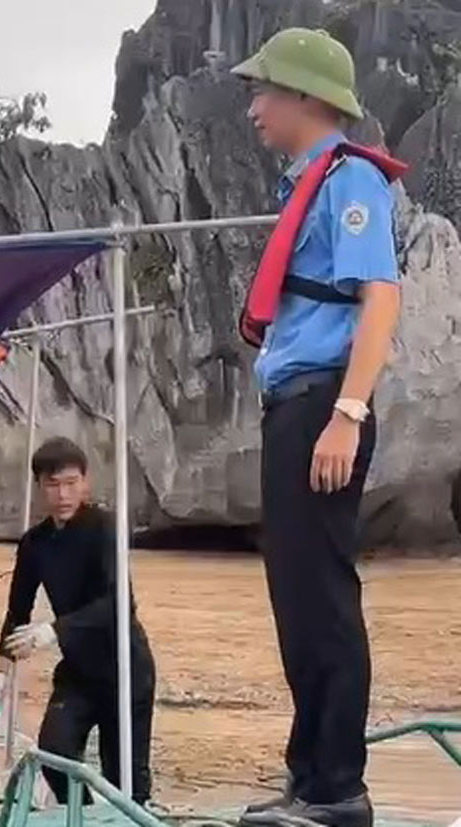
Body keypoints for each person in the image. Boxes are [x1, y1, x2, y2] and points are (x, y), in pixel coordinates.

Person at [231, 28, 403, 827]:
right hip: (295, 405)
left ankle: (337, 787)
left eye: (263, 90)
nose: (254, 106)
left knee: (323, 597)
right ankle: (310, 779)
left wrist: (347, 412)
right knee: (296, 598)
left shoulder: (349, 179)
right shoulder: (308, 182)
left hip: (322, 404)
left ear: (305, 95)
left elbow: (381, 297)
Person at [0, 437, 155, 804]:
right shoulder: (35, 543)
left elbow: (118, 603)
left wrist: (54, 630)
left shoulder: (105, 527)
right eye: (53, 484)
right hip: (79, 671)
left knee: (125, 780)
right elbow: (18, 610)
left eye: (71, 483)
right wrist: (0, 668)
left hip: (125, 667)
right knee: (55, 753)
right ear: (39, 486)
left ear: (85, 482)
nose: (63, 494)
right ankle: (82, 816)